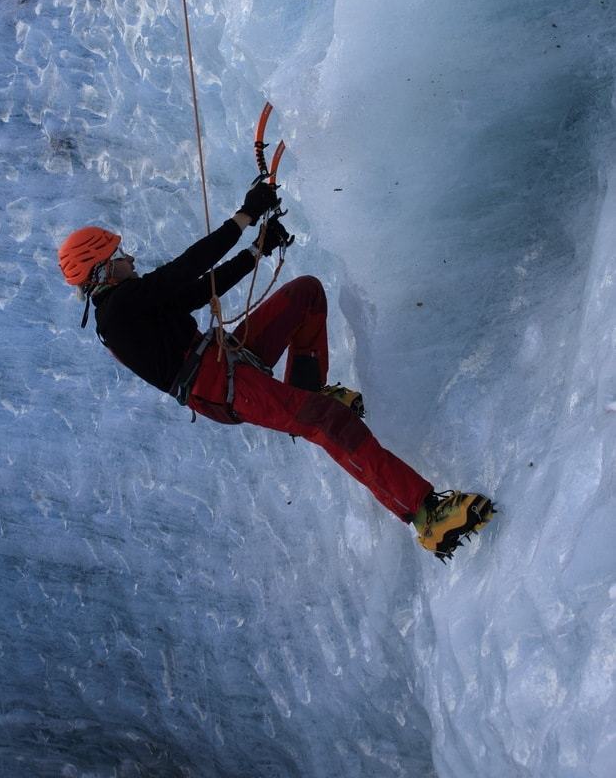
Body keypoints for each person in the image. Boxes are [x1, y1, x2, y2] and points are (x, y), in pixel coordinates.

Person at [58, 181, 494, 561]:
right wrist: (245, 216)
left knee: (305, 294)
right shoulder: (117, 312)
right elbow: (184, 270)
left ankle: (307, 392)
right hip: (220, 386)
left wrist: (255, 251)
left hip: (222, 359)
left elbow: (192, 293)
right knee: (327, 423)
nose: (130, 258)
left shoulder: (128, 306)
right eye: (119, 255)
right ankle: (426, 515)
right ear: (101, 269)